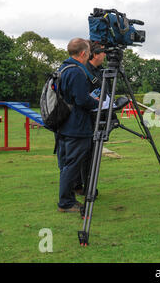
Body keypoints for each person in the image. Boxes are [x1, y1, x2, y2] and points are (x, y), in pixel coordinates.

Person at [56, 38, 99, 212]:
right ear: (82, 53)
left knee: (66, 164)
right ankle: (66, 202)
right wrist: (96, 102)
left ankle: (68, 198)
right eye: (88, 52)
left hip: (63, 124)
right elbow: (82, 100)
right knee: (72, 165)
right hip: (77, 126)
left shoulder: (63, 68)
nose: (89, 55)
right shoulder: (76, 72)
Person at [74, 41, 107, 196]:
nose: (105, 55)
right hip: (86, 116)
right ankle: (86, 187)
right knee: (87, 153)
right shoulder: (83, 70)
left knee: (91, 153)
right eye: (103, 52)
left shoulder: (101, 71)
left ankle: (83, 185)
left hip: (97, 114)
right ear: (94, 54)